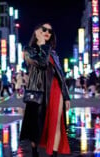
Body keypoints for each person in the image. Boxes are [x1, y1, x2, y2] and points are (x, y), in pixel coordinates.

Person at [20, 23, 71, 157]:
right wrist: (42, 45)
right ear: (37, 32)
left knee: (57, 122)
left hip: (56, 89)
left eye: (50, 30)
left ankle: (53, 154)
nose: (47, 32)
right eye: (44, 30)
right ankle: (35, 152)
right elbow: (42, 63)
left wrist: (66, 96)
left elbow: (60, 75)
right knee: (36, 127)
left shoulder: (53, 53)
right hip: (38, 92)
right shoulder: (29, 51)